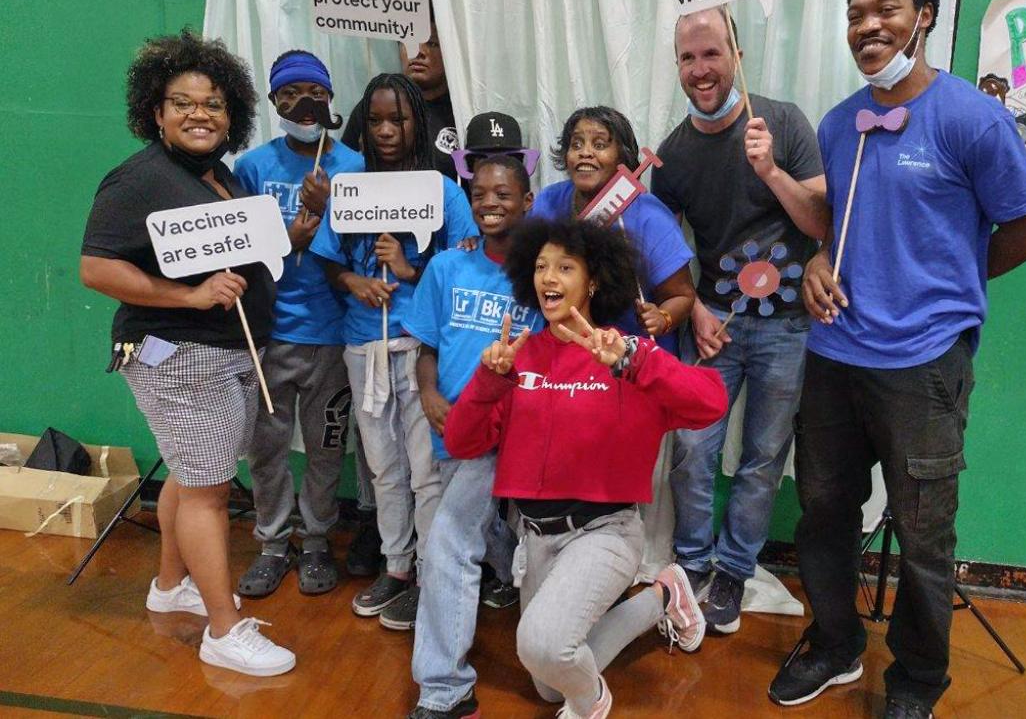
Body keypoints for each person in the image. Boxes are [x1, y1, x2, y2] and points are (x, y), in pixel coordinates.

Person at [774, 0, 1026, 718]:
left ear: (924, 15)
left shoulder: (970, 118)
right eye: (856, 15)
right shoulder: (840, 124)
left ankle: (917, 682)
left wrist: (952, 285)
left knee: (925, 540)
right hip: (834, 355)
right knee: (824, 513)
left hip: (925, 366)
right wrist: (817, 260)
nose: (868, 27)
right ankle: (834, 645)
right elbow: (841, 219)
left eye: (885, 11)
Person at [445, 218, 728, 719]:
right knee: (549, 679)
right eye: (539, 267)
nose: (548, 278)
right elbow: (461, 442)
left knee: (547, 648)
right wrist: (490, 381)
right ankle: (665, 595)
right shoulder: (520, 356)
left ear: (592, 280)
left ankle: (594, 704)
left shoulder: (622, 352)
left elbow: (712, 402)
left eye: (565, 267)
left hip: (605, 532)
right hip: (535, 540)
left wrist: (636, 363)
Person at [80, 30, 294, 675]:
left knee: (189, 472)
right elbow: (96, 268)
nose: (200, 114)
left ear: (232, 116)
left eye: (215, 104)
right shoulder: (139, 179)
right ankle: (224, 632)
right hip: (177, 355)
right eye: (184, 102)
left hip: (224, 351)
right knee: (207, 488)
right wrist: (190, 295)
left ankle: (172, 585)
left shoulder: (215, 175)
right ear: (156, 111)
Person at [652, 5, 827, 633]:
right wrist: (694, 305)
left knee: (762, 457)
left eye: (712, 54)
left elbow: (821, 224)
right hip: (715, 327)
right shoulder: (673, 153)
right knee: (692, 450)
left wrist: (770, 169)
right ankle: (693, 564)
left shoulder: (781, 122)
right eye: (687, 57)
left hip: (787, 328)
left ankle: (733, 570)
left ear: (737, 56)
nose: (700, 69)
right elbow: (659, 252)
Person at [310, 73, 477, 630]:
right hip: (362, 343)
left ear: (418, 124)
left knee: (426, 469)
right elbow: (329, 258)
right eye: (376, 120)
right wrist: (356, 283)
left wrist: (410, 269)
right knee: (383, 468)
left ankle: (432, 575)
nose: (386, 131)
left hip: (419, 345)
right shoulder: (350, 186)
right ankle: (397, 565)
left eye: (398, 120)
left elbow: (468, 267)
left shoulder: (443, 190)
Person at [405, 154, 540, 719]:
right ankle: (512, 573)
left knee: (448, 545)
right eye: (479, 193)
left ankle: (444, 690)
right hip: (453, 429)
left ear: (527, 202)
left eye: (503, 194)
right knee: (478, 530)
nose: (489, 203)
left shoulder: (545, 273)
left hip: (513, 432)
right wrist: (430, 395)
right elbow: (427, 345)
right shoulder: (445, 267)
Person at [232, 50, 362, 597]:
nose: (301, 103)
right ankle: (270, 541)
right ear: (273, 102)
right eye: (288, 94)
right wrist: (291, 234)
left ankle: (315, 540)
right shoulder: (253, 167)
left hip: (332, 334)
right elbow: (237, 245)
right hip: (269, 333)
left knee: (327, 445)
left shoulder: (353, 166)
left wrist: (330, 204)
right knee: (267, 445)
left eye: (312, 91)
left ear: (330, 98)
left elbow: (363, 246)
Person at [532, 106, 695, 354]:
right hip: (567, 356)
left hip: (632, 359)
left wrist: (662, 318)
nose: (585, 153)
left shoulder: (652, 217)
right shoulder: (548, 203)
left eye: (599, 145)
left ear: (622, 157)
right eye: (576, 145)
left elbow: (683, 296)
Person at [342, 8, 459, 184]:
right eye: (410, 41)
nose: (418, 52)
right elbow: (344, 170)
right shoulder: (371, 107)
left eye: (432, 43)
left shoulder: (461, 113)